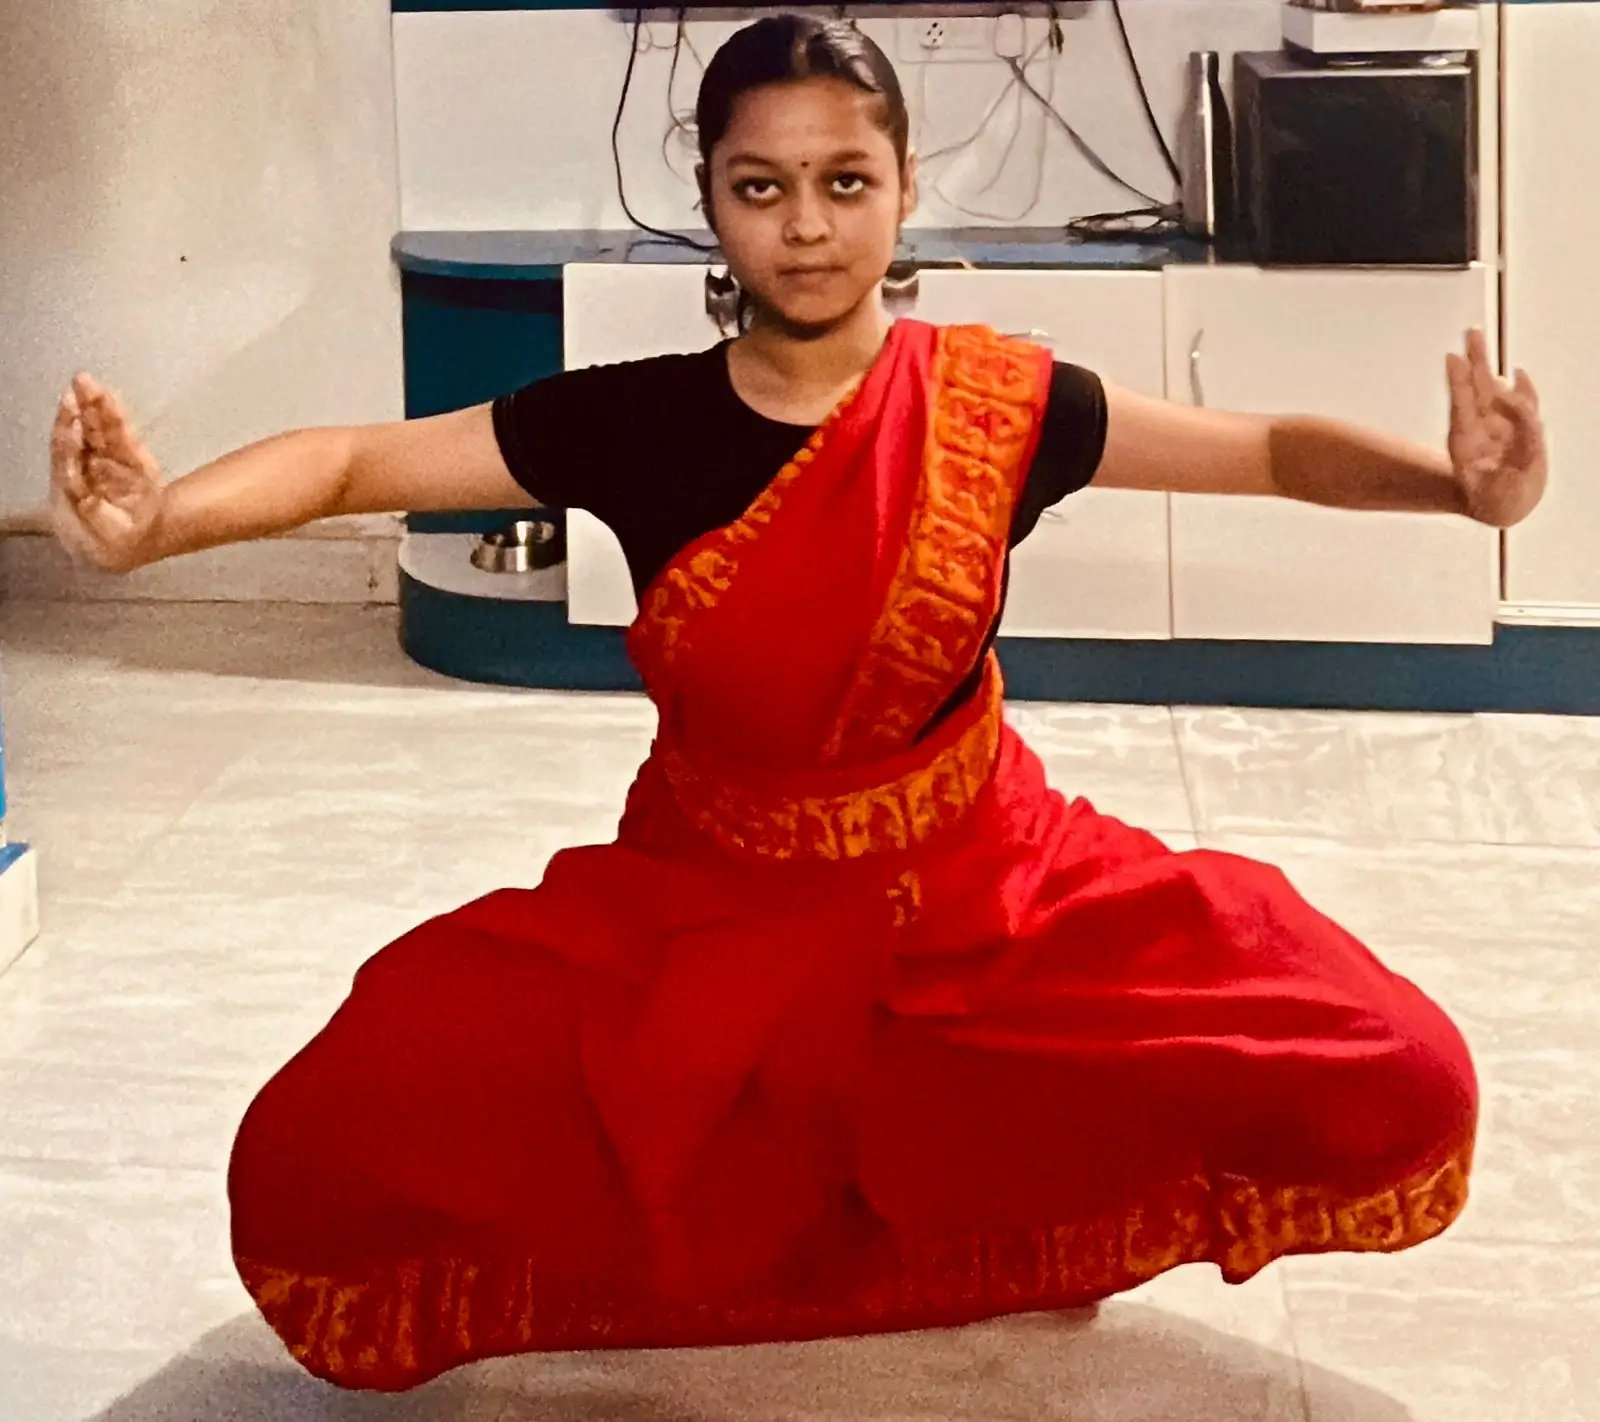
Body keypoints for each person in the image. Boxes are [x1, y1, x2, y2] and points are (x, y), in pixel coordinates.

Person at [49, 16, 1545, 1396]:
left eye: (845, 182)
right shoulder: (630, 420)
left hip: (982, 902)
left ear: (906, 189)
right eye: (761, 188)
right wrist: (155, 524)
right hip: (710, 912)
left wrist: (1457, 486)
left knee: (1393, 1070)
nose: (808, 226)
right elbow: (352, 462)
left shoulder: (999, 408)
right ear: (708, 197)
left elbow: (1268, 450)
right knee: (327, 1145)